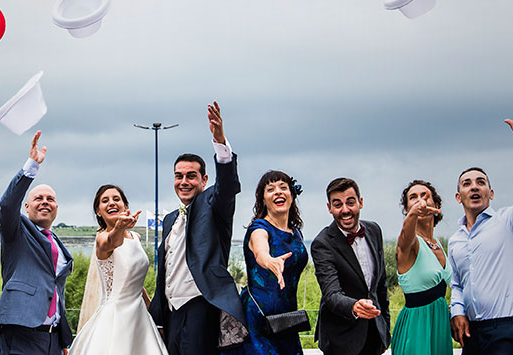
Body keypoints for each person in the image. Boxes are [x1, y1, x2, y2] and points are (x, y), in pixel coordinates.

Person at [448, 103, 513, 355]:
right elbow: (457, 284)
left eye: (480, 183)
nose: (474, 187)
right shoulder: (455, 240)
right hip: (473, 333)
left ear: (490, 193)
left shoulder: (510, 222)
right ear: (458, 197)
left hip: (510, 328)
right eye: (467, 184)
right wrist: (457, 311)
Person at [149, 101, 247, 355]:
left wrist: (220, 142)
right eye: (178, 175)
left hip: (201, 306)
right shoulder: (169, 219)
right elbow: (166, 271)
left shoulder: (214, 205)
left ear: (204, 179)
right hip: (171, 313)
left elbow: (227, 186)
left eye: (191, 175)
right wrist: (159, 316)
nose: (184, 181)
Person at [0, 129, 74, 355]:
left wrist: (61, 339)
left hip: (52, 338)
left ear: (57, 208)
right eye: (38, 198)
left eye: (50, 199)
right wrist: (31, 166)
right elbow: (7, 205)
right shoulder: (16, 232)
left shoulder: (58, 243)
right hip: (21, 333)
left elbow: (56, 291)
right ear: (26, 207)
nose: (45, 202)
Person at [69, 184, 168, 355]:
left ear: (125, 206)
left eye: (117, 199)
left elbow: (136, 284)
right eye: (105, 201)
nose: (112, 203)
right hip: (114, 318)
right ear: (98, 211)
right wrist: (119, 227)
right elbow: (113, 241)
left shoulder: (136, 237)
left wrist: (153, 314)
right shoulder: (101, 239)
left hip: (140, 319)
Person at [311, 176, 390, 355]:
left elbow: (381, 285)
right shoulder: (322, 243)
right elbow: (331, 295)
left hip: (375, 335)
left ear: (360, 203)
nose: (345, 210)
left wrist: (385, 329)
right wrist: (354, 306)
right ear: (329, 208)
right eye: (337, 204)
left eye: (350, 202)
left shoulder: (374, 230)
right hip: (341, 339)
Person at [237, 170, 308, 355]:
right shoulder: (258, 229)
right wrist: (270, 261)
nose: (278, 192)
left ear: (292, 195)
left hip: (287, 320)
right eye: (271, 189)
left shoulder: (296, 233)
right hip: (259, 320)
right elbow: (261, 252)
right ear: (263, 199)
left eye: (283, 188)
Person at [390, 180, 452, 355]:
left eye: (424, 196)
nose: (419, 201)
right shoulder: (409, 244)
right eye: (413, 197)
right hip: (417, 329)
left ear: (436, 204)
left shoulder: (437, 243)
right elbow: (404, 237)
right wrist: (414, 214)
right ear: (407, 208)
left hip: (439, 327)